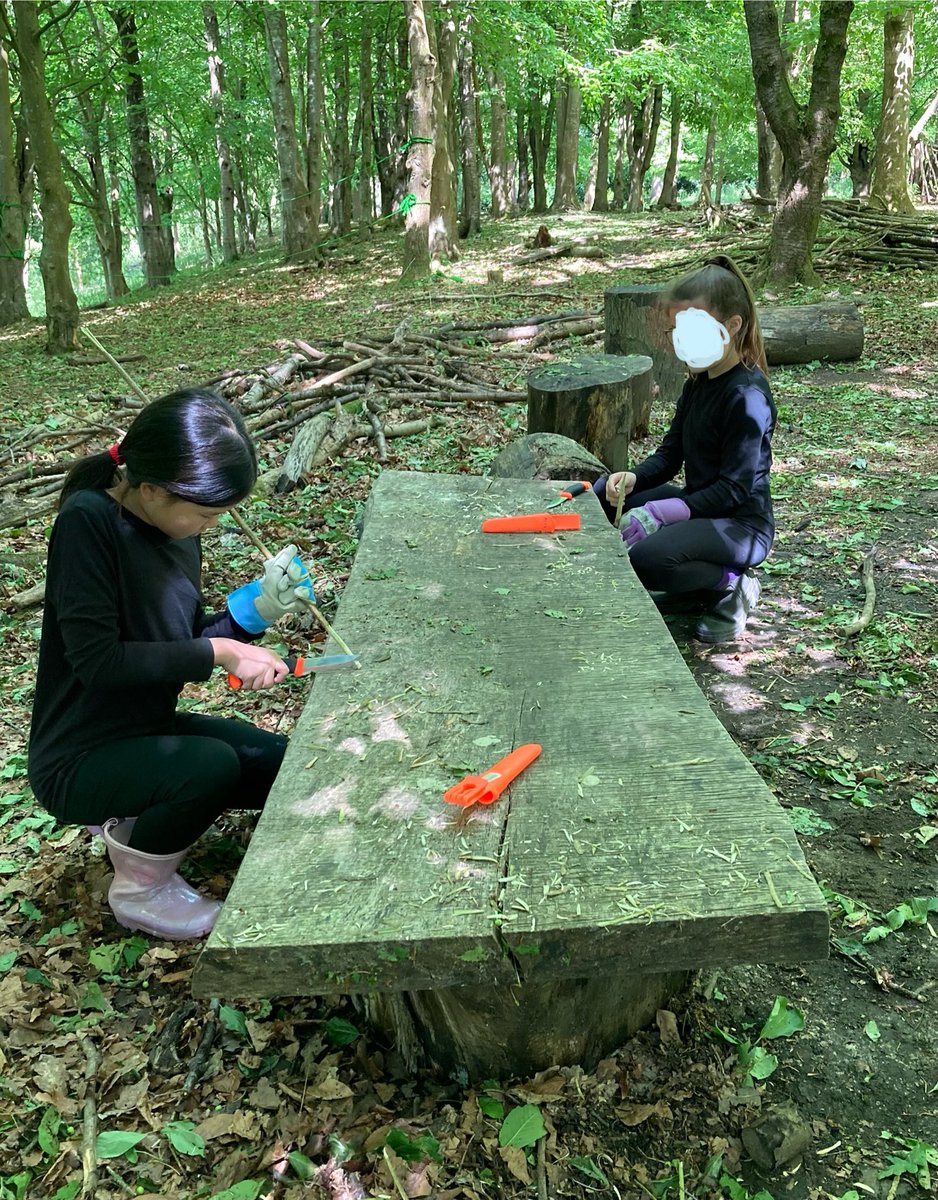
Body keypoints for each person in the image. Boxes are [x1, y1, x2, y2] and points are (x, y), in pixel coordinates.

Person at [28, 388, 315, 940]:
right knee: (208, 767)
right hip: (78, 755)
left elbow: (175, 643)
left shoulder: (176, 529)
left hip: (146, 730)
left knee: (278, 763)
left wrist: (254, 611)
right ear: (152, 489)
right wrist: (221, 652)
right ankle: (141, 888)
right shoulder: (88, 522)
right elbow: (100, 662)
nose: (212, 524)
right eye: (207, 512)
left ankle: (138, 813)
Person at [594, 255, 776, 643]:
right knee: (601, 496)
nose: (682, 339)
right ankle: (694, 579)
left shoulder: (747, 397)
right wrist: (632, 478)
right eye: (678, 328)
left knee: (648, 559)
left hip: (741, 527)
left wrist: (663, 512)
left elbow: (734, 490)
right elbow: (670, 454)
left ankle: (733, 584)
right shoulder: (698, 384)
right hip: (703, 507)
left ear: (732, 326)